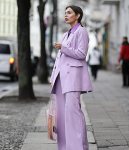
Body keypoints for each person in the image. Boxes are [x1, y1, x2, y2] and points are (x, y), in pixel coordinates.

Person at [49, 5, 93, 150]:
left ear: (78, 15)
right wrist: (53, 75)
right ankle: (64, 146)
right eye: (65, 12)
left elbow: (81, 54)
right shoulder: (66, 34)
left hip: (73, 78)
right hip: (61, 78)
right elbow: (60, 59)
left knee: (73, 112)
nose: (66, 15)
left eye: (69, 12)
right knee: (62, 114)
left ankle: (78, 147)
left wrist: (64, 47)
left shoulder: (82, 32)